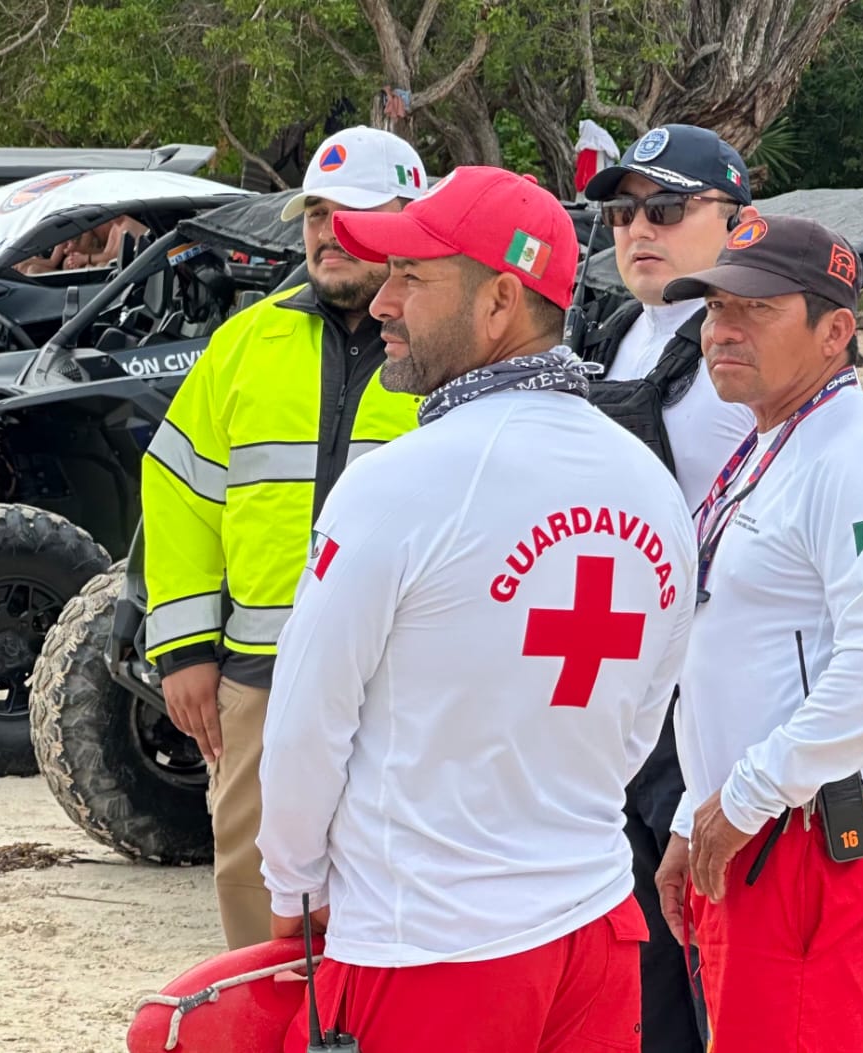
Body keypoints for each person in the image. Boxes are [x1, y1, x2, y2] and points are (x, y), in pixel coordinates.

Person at [257, 166, 697, 1052]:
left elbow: (307, 721)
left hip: (430, 945)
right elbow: (641, 720)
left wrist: (294, 890)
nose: (383, 303)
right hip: (596, 927)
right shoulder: (653, 489)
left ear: (500, 301)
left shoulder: (398, 483)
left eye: (411, 279)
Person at [140, 126, 428, 951]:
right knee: (255, 880)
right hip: (259, 681)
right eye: (315, 214)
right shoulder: (244, 345)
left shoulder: (446, 346)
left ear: (410, 222)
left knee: (396, 878)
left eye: (356, 214)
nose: (328, 232)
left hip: (404, 679)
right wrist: (186, 649)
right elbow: (179, 494)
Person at [652, 217, 863, 1053]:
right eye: (712, 309)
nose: (721, 330)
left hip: (807, 831)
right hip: (753, 823)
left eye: (756, 308)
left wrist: (740, 796)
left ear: (836, 331)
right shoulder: (777, 439)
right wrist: (687, 817)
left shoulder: (856, 457)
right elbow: (737, 640)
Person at [578, 122, 761, 1053]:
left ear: (736, 219)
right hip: (614, 689)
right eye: (621, 210)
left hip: (709, 704)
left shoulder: (754, 348)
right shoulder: (611, 338)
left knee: (717, 957)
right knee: (635, 958)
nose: (637, 227)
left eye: (667, 207)